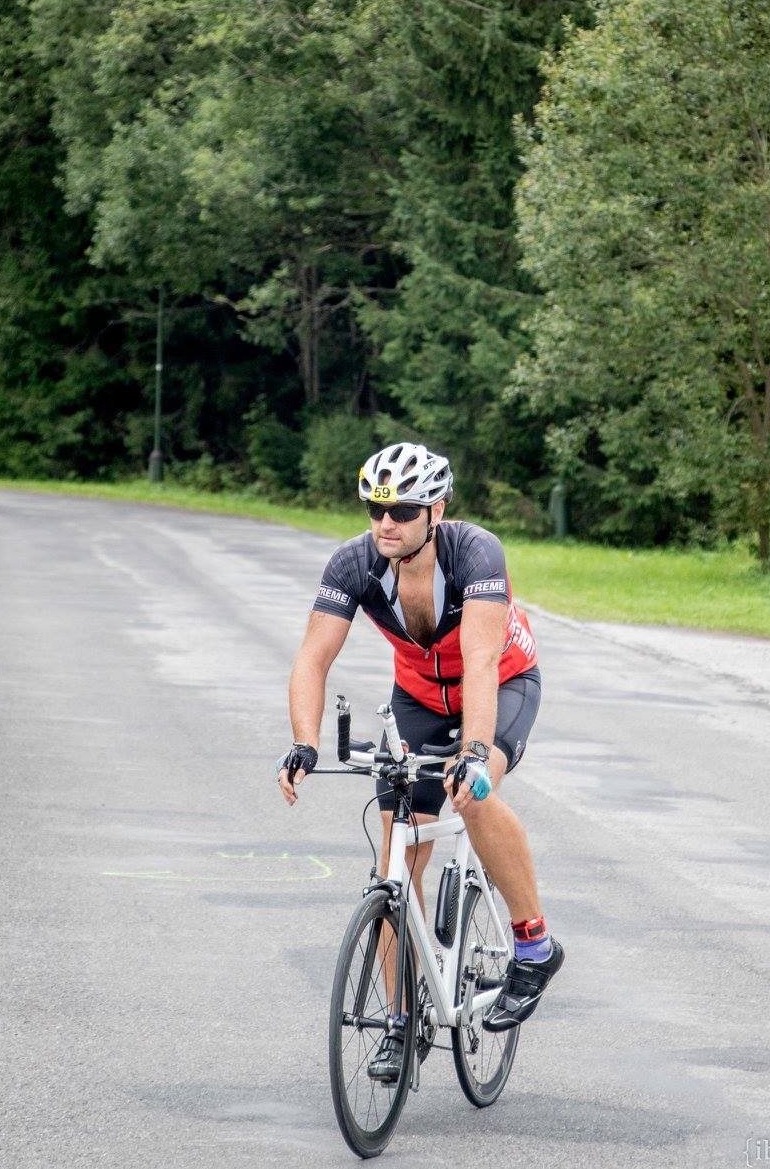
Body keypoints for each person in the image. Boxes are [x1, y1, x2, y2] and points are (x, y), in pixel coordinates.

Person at [276, 442, 563, 1081]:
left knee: (472, 793)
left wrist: (474, 754)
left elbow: (482, 660)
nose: (386, 522)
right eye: (376, 508)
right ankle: (402, 1022)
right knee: (394, 863)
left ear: (436, 510)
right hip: (420, 697)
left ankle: (534, 945)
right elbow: (312, 658)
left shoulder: (475, 553)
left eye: (403, 510)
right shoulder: (354, 563)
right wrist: (304, 742)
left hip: (501, 683)